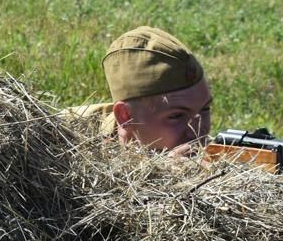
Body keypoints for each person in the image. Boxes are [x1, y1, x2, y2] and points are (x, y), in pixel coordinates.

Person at [64, 26, 213, 154]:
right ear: (125, 116)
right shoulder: (63, 141)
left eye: (205, 109)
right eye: (176, 116)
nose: (198, 132)